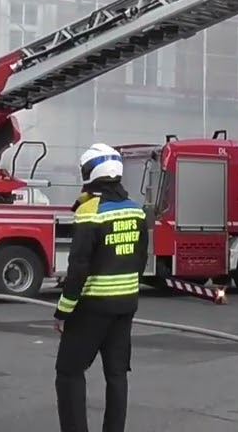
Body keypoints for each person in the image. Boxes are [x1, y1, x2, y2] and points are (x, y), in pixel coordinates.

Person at [55, 143, 148, 432]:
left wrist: (63, 311)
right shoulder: (136, 210)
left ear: (91, 172)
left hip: (92, 306)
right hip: (126, 304)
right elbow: (141, 259)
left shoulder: (89, 212)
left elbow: (79, 266)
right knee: (117, 375)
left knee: (69, 371)